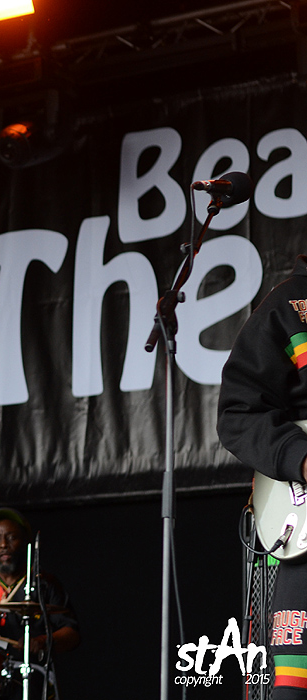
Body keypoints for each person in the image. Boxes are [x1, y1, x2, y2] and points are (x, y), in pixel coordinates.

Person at [217, 254, 307, 698]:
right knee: (293, 684)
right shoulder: (289, 305)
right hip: (303, 535)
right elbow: (239, 412)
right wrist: (301, 459)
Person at [0, 508, 79, 699]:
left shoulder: (44, 584)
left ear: (24, 542)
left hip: (34, 677)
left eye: (11, 537)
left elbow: (71, 634)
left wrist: (42, 641)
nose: (4, 544)